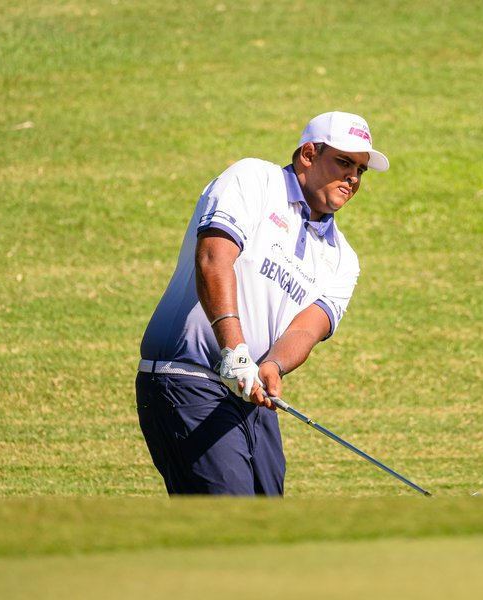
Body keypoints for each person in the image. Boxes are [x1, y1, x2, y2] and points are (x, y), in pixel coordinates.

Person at [135, 111, 390, 495]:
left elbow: (306, 329)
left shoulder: (343, 259)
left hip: (251, 393)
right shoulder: (254, 179)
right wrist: (234, 350)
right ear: (309, 154)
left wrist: (273, 365)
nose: (353, 178)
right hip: (187, 377)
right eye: (343, 162)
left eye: (360, 170)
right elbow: (213, 259)